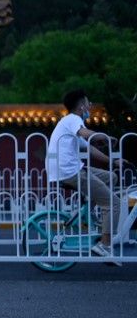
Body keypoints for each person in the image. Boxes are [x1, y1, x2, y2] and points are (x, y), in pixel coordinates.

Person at [45, 89, 126, 262]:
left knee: (111, 177)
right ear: (81, 106)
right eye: (88, 103)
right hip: (70, 172)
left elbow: (89, 148)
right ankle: (104, 245)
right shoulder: (74, 119)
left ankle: (89, 214)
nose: (90, 106)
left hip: (70, 169)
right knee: (114, 203)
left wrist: (113, 162)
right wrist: (103, 136)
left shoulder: (68, 123)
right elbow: (86, 134)